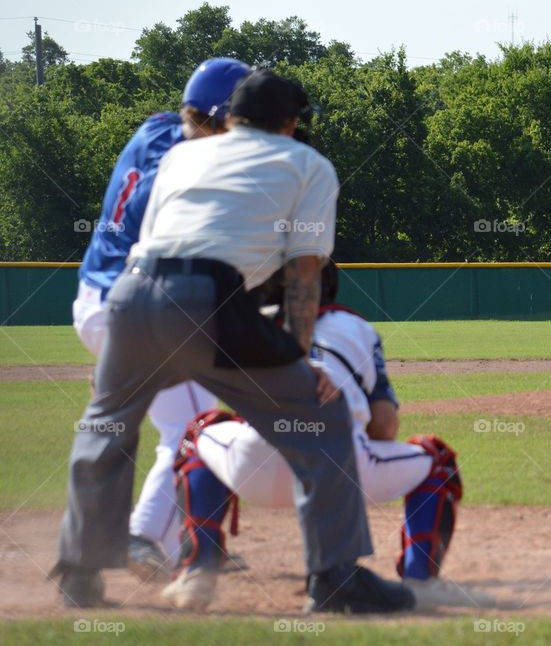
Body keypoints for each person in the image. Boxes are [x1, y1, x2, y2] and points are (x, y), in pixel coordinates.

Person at [51, 69, 414, 614]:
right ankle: (335, 578)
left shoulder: (180, 155)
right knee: (320, 418)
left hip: (129, 296)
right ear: (290, 122)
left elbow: (151, 241)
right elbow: (304, 272)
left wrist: (121, 360)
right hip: (208, 299)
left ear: (232, 117)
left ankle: (78, 575)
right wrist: (298, 355)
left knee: (105, 424)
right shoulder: (308, 164)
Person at [162, 261, 490, 610]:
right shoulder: (357, 327)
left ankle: (196, 572)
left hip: (253, 469)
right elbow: (384, 426)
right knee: (436, 458)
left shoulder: (251, 323)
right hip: (342, 473)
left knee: (200, 431)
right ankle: (421, 580)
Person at [72, 57, 252, 580]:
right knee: (195, 428)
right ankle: (143, 537)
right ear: (218, 119)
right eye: (237, 122)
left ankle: (169, 543)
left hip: (96, 298)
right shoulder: (193, 168)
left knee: (171, 423)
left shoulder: (153, 129)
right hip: (137, 305)